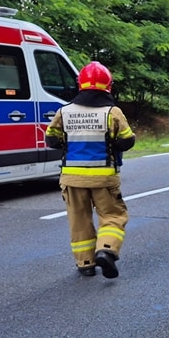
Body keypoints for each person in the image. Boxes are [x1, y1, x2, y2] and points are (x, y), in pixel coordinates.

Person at [45, 61, 135, 279]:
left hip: (72, 178)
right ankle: (106, 249)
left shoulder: (64, 112)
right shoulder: (112, 112)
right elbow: (127, 141)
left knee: (79, 220)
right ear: (108, 86)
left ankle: (85, 263)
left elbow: (51, 140)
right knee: (113, 216)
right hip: (104, 179)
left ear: (80, 85)